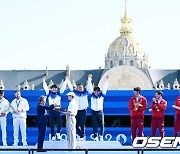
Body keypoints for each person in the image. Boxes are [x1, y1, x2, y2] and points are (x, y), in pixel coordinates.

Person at [65, 74, 92, 141]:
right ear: (77, 88)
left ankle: (82, 136)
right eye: (79, 87)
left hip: (83, 110)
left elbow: (89, 87)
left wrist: (89, 79)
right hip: (76, 111)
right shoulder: (74, 93)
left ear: (83, 88)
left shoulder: (85, 93)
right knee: (75, 124)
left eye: (81, 87)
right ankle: (79, 134)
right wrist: (67, 80)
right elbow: (70, 87)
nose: (80, 88)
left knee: (82, 124)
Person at [43, 76, 67, 141]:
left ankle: (58, 133)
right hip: (51, 110)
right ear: (51, 89)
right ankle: (53, 135)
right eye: (53, 89)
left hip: (57, 110)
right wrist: (44, 81)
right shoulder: (49, 94)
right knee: (52, 124)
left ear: (56, 89)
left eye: (55, 89)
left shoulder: (59, 94)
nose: (54, 89)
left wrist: (66, 80)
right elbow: (45, 88)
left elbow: (63, 88)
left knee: (59, 122)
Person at [88, 75, 109, 141]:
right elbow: (89, 87)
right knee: (94, 124)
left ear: (99, 91)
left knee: (102, 124)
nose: (96, 92)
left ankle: (101, 135)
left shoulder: (102, 96)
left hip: (100, 111)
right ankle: (95, 136)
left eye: (98, 91)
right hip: (93, 111)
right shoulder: (91, 96)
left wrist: (106, 80)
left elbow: (105, 88)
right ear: (94, 91)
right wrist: (89, 79)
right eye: (95, 91)